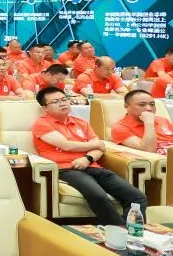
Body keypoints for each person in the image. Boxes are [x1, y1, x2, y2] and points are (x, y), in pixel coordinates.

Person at [31, 87, 147, 225]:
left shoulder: (81, 123)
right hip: (67, 169)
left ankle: (132, 231)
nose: (62, 103)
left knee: (137, 197)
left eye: (64, 99)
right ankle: (120, 230)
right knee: (98, 196)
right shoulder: (42, 124)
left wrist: (88, 158)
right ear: (45, 108)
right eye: (55, 102)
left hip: (92, 166)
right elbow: (67, 145)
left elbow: (100, 149)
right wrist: (95, 145)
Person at [110, 90, 173, 156]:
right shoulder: (120, 127)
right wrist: (149, 123)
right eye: (142, 105)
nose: (149, 108)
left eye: (152, 104)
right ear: (126, 106)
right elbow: (149, 150)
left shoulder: (162, 120)